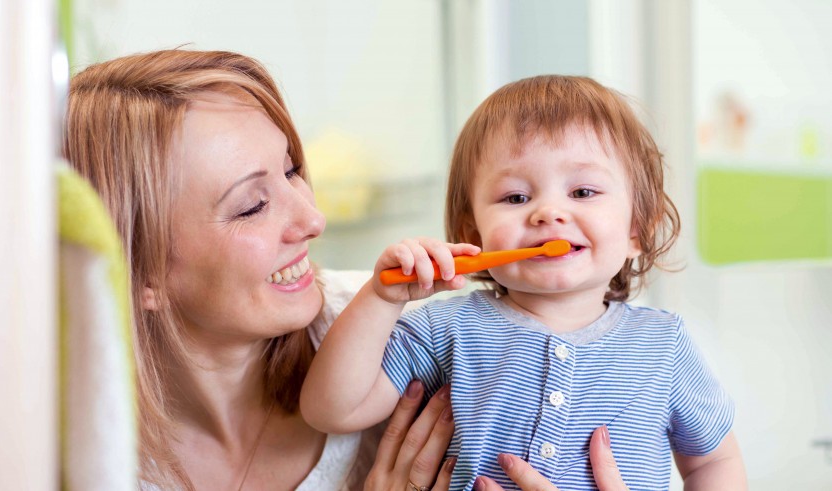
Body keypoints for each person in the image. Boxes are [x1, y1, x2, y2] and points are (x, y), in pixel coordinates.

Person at [301, 75, 747, 489]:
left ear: (637, 231)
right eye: (516, 197)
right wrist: (380, 299)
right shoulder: (444, 328)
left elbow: (713, 462)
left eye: (582, 192)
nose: (548, 212)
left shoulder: (663, 345)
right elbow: (332, 410)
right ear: (474, 236)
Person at [62, 49, 463, 490]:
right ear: (137, 272)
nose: (313, 220)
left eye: (291, 171)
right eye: (252, 207)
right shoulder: (69, 453)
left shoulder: (403, 346)